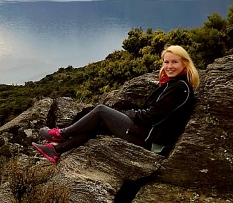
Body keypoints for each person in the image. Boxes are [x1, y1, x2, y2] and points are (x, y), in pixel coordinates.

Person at [32, 45, 199, 163]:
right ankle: (55, 151)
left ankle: (60, 134)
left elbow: (152, 116)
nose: (169, 66)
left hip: (152, 141)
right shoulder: (174, 84)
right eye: (166, 62)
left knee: (101, 111)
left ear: (185, 63)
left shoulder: (179, 88)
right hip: (149, 135)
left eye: (174, 62)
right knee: (97, 124)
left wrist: (130, 114)